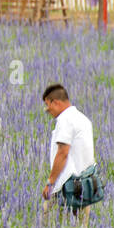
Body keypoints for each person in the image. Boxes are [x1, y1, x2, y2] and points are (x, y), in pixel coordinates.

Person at [41, 83, 96, 219]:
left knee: (47, 227)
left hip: (66, 187)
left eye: (48, 105)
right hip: (86, 183)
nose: (47, 110)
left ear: (56, 102)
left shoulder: (65, 120)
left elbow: (62, 153)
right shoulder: (84, 119)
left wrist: (50, 183)